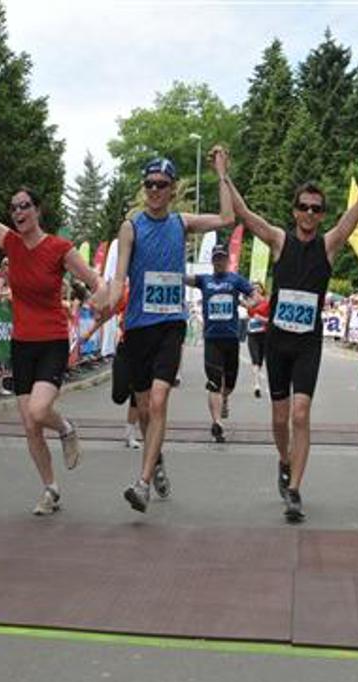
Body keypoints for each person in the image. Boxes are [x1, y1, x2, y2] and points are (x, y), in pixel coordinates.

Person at [0, 133, 105, 516]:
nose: (18, 212)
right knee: (29, 424)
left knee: (40, 412)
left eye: (25, 206)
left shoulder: (59, 248)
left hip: (53, 341)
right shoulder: (9, 243)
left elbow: (94, 281)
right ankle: (50, 489)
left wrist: (103, 296)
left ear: (37, 210)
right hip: (22, 344)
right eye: (13, 208)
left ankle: (66, 428)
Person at [226, 128, 358, 521]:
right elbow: (244, 214)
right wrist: (223, 175)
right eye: (304, 207)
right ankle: (284, 460)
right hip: (278, 344)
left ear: (322, 214)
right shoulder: (280, 241)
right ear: (295, 210)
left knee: (300, 414)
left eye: (317, 209)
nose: (310, 214)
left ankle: (295, 490)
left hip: (307, 346)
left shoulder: (329, 245)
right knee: (280, 419)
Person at [107, 150, 234, 513]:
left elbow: (227, 217)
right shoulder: (131, 227)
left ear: (173, 189)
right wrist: (108, 302)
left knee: (160, 400)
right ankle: (157, 459)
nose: (154, 190)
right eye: (149, 184)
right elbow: (119, 278)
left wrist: (221, 174)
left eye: (161, 185)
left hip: (170, 325)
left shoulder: (181, 223)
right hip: (138, 327)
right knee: (145, 408)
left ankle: (143, 483)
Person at [184, 245, 255, 442]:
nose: (219, 262)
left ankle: (225, 398)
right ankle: (217, 423)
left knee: (229, 384)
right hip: (212, 338)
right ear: (212, 261)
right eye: (216, 259)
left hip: (231, 338)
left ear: (227, 260)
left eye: (222, 258)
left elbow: (254, 294)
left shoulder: (235, 280)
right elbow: (184, 278)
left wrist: (250, 303)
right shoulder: (205, 280)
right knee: (214, 382)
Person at [81, 283, 143, 450]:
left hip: (146, 349)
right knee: (119, 395)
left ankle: (130, 433)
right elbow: (109, 313)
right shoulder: (128, 292)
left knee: (138, 392)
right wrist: (90, 332)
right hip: (125, 347)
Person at [245, 282, 270, 398]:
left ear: (262, 290)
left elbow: (271, 320)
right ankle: (256, 385)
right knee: (255, 360)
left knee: (265, 360)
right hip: (252, 334)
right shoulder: (250, 303)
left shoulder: (267, 302)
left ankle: (270, 385)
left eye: (258, 288)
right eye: (253, 289)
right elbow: (248, 313)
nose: (255, 290)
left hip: (265, 334)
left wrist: (262, 319)